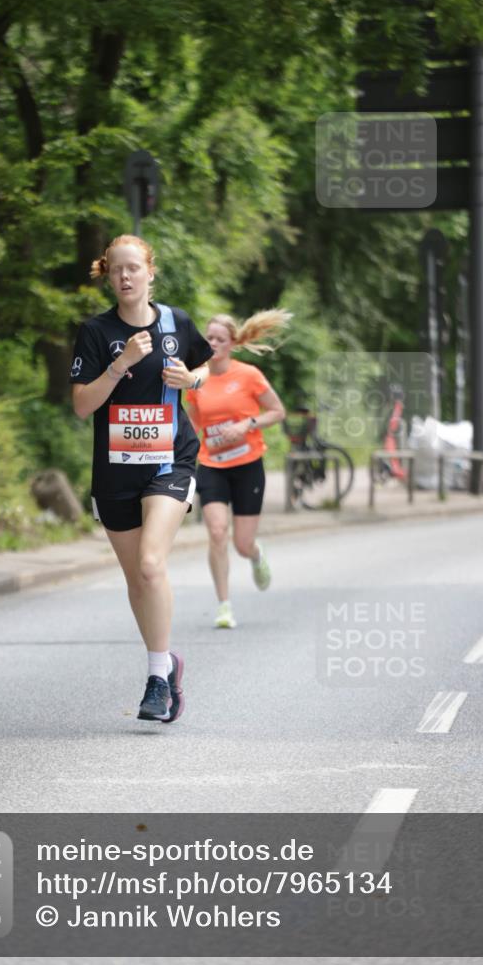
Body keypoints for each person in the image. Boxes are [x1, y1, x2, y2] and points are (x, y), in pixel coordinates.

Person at [69, 235, 212, 722]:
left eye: (134, 268)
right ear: (108, 277)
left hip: (170, 461)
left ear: (151, 272)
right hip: (114, 473)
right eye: (116, 270)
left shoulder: (176, 324)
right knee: (137, 579)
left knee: (151, 565)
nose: (126, 277)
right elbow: (82, 405)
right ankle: (169, 663)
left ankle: (156, 680)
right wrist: (120, 364)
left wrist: (193, 380)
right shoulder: (96, 332)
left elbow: (207, 364)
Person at [186, 310, 289, 628]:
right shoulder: (196, 378)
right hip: (211, 464)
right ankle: (224, 606)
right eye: (209, 338)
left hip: (247, 465)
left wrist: (247, 424)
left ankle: (256, 554)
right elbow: (193, 423)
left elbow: (277, 411)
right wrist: (183, 456)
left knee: (241, 544)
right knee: (217, 532)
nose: (213, 343)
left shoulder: (249, 375)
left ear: (231, 343)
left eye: (219, 339)